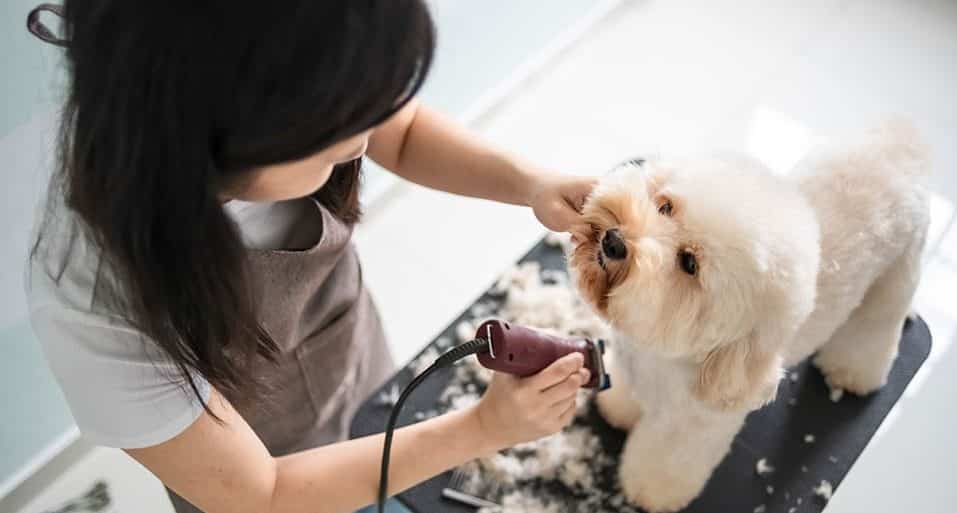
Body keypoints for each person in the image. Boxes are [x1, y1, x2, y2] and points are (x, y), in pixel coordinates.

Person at [24, 2, 597, 513]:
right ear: (230, 134)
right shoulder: (94, 293)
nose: (362, 144)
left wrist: (531, 184)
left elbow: (399, 130)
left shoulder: (300, 66)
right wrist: (482, 427)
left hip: (350, 362)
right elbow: (262, 495)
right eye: (340, 135)